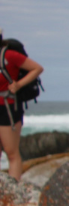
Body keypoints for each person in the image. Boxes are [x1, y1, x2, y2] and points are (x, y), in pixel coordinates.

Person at [0, 28, 45, 181]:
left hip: (8, 108)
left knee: (11, 153)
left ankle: (13, 192)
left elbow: (37, 68)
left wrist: (18, 85)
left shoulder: (10, 55)